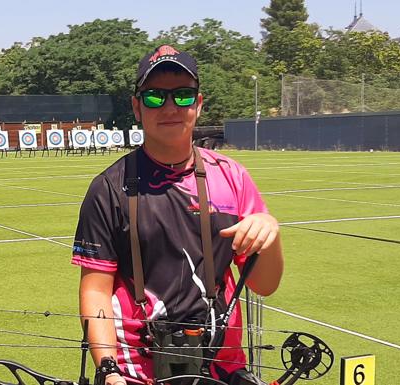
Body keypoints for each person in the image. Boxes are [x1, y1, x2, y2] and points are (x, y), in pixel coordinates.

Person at [72, 45, 284, 385]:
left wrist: (271, 232)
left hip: (221, 369)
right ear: (136, 107)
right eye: (155, 97)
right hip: (135, 372)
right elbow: (96, 289)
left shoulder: (232, 176)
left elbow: (265, 284)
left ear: (199, 105)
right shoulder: (109, 188)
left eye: (183, 96)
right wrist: (108, 370)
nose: (170, 107)